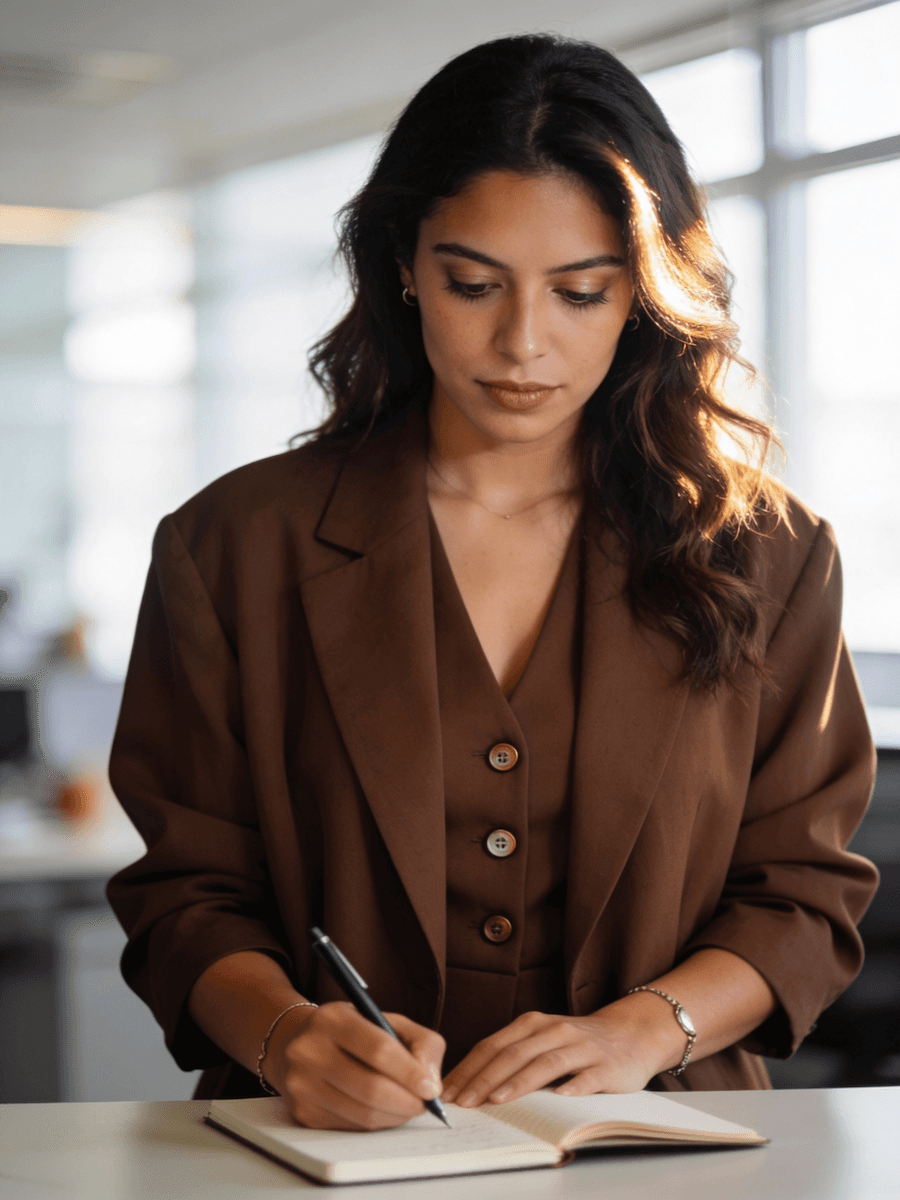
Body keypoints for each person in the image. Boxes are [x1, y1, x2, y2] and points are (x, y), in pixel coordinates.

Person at [107, 34, 878, 1132]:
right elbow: (184, 893)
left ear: (646, 298)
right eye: (475, 284)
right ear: (405, 269)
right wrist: (285, 1037)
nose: (523, 344)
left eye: (580, 292)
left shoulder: (768, 551)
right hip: (324, 1148)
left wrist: (647, 1028)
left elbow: (804, 893)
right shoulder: (233, 543)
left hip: (658, 1146)